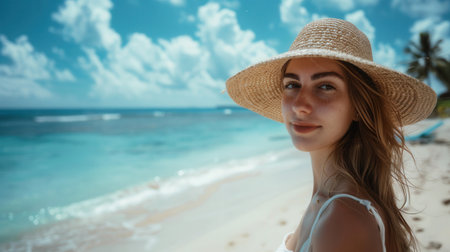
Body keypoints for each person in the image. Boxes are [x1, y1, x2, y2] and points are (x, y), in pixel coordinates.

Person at [226, 18, 436, 252]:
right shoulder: (328, 198)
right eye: (292, 85)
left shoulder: (342, 220)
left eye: (325, 86)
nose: (299, 106)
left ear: (358, 106)